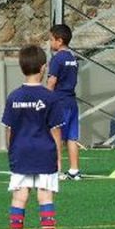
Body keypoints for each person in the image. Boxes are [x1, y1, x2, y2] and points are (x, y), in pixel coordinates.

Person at [2, 44, 70, 229]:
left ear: (22, 67)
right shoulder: (50, 98)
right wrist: (58, 155)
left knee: (19, 196)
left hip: (20, 153)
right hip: (44, 152)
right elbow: (56, 129)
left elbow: (9, 129)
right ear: (43, 67)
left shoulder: (14, 97)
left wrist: (10, 151)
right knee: (45, 196)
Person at [46, 23, 81, 180]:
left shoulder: (57, 59)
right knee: (72, 137)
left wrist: (45, 99)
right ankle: (74, 170)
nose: (50, 43)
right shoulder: (72, 58)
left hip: (59, 102)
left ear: (59, 41)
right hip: (72, 101)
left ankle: (57, 170)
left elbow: (52, 81)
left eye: (51, 39)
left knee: (56, 136)